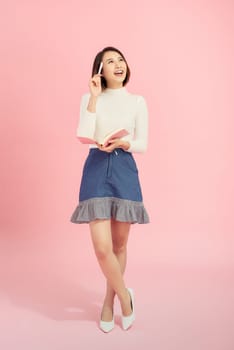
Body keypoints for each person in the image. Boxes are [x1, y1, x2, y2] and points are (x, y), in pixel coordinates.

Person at [70, 46, 149, 332]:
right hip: (95, 168)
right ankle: (126, 298)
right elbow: (84, 134)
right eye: (109, 61)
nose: (118, 65)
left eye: (120, 60)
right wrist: (93, 98)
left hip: (124, 168)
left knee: (119, 245)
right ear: (99, 71)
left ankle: (108, 300)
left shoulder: (137, 101)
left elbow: (142, 143)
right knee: (103, 249)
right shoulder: (89, 98)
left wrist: (123, 143)